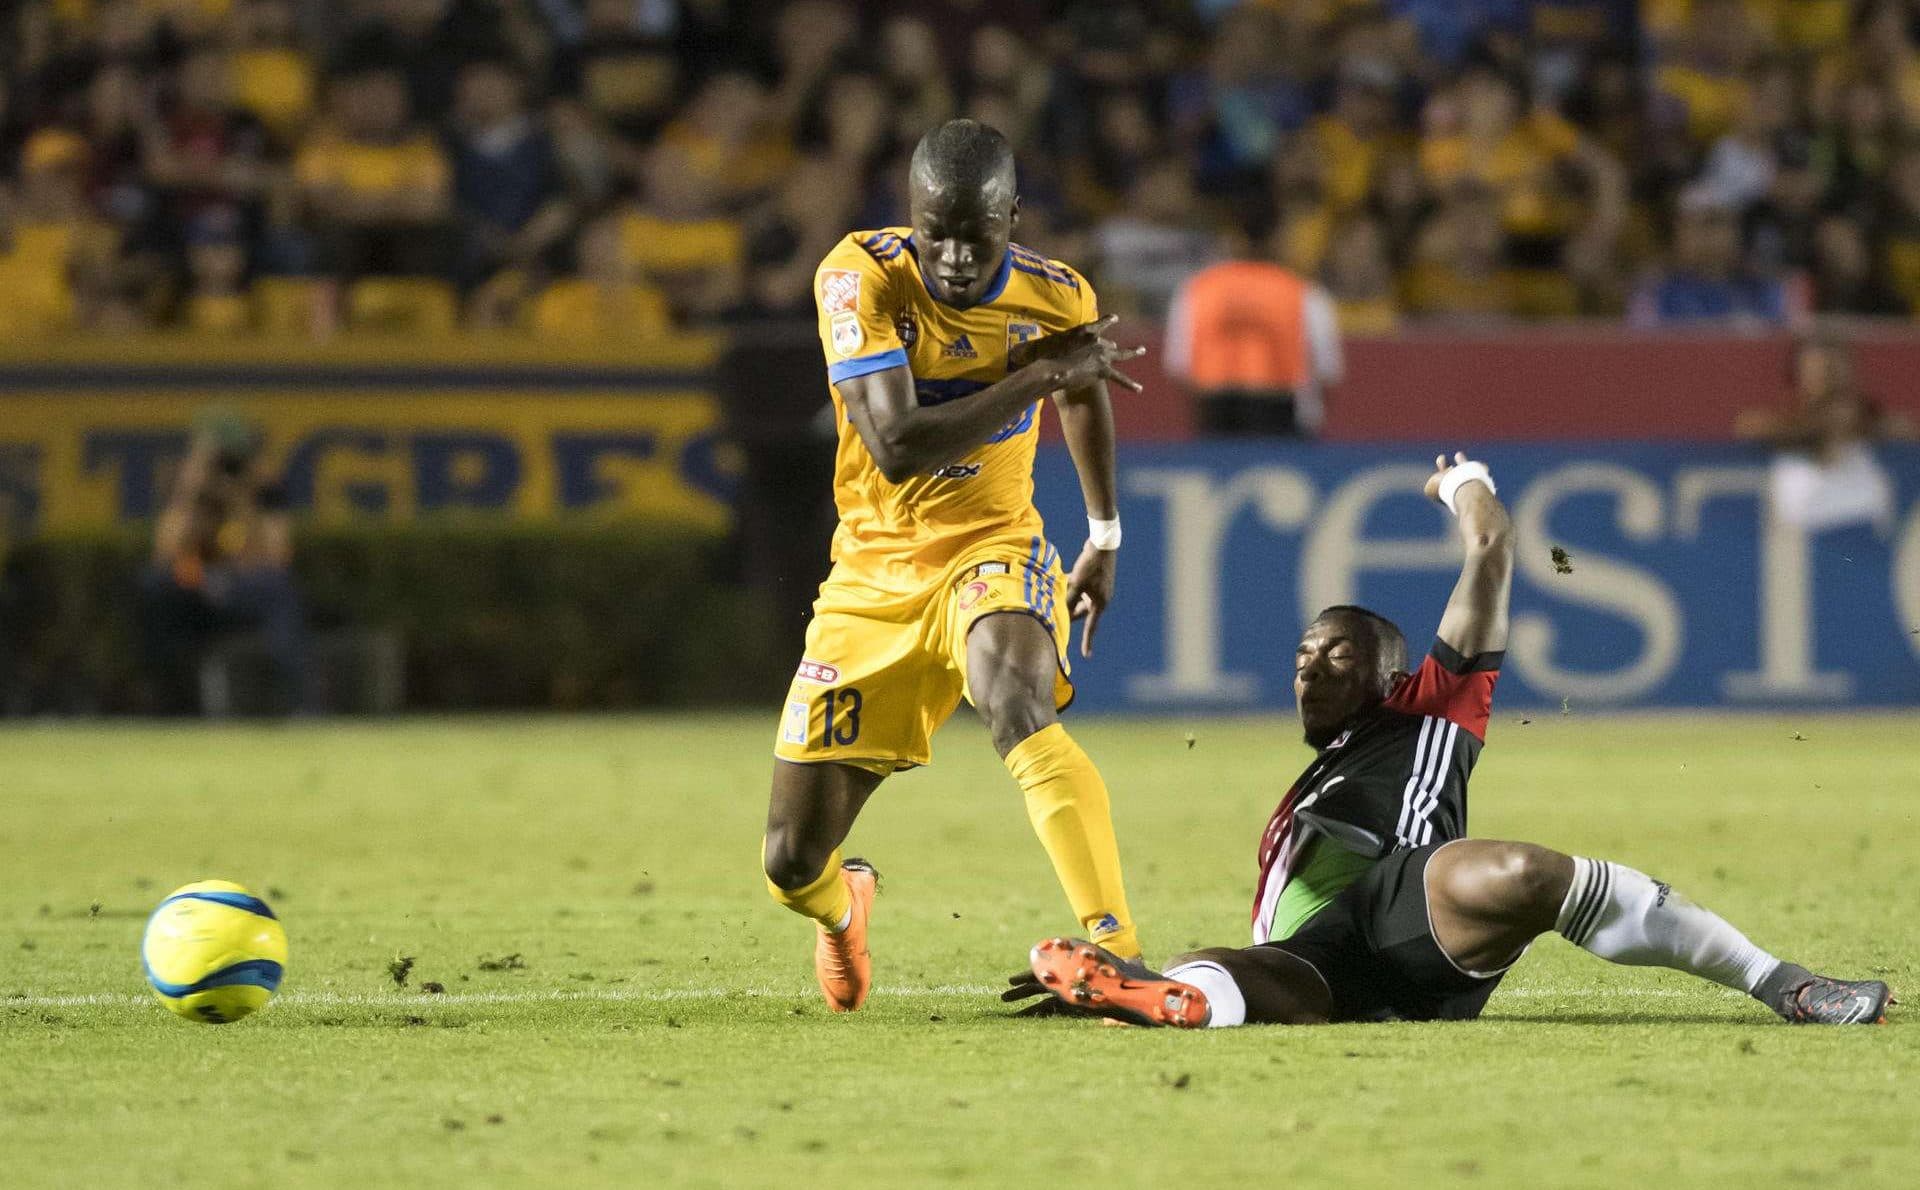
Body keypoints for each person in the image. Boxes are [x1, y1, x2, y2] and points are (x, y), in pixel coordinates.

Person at [1009, 451, 1892, 1028]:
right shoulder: (1309, 789)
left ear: (1392, 676)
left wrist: (1461, 479)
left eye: (1337, 652)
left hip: (1421, 909)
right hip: (1326, 963)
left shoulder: (1431, 708)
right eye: (1303, 654)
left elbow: (1493, 548)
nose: (1310, 668)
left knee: (1521, 873)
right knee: (1221, 967)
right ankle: (1164, 997)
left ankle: (1786, 984)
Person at [762, 119, 1148, 1013]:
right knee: (789, 863)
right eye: (936, 231)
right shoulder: (857, 277)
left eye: (976, 235)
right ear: (911, 214)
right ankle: (843, 906)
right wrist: (1037, 378)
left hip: (991, 546)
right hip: (869, 576)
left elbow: (1087, 388)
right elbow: (897, 444)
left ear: (1013, 216)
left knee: (1012, 698)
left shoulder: (1059, 296)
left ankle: (1117, 952)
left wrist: (1105, 532)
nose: (955, 255)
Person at [139, 409, 309, 716]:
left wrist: (243, 497)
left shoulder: (264, 493)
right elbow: (165, 553)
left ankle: (299, 706)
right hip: (197, 588)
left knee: (278, 589)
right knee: (154, 584)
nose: (224, 468)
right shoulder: (189, 491)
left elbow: (275, 560)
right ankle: (164, 704)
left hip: (243, 590)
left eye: (231, 459)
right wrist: (192, 491)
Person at [1164, 246, 1343, 437]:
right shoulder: (1301, 291)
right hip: (1281, 419)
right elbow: (1327, 369)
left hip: (1216, 418)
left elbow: (1179, 366)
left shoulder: (1199, 288)